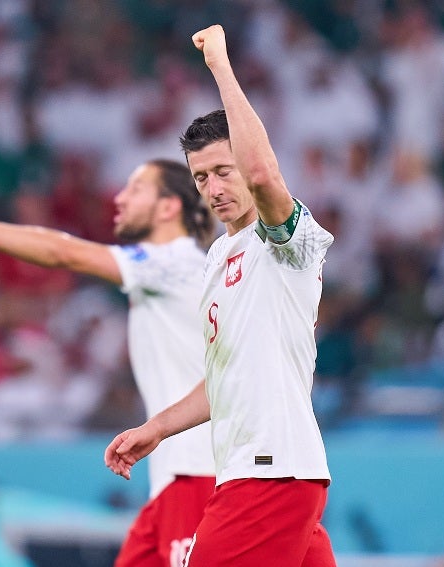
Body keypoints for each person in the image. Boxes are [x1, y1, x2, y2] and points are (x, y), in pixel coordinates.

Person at [104, 25, 336, 567]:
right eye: (201, 176)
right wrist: (155, 428)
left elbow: (263, 173)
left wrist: (220, 67)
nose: (213, 188)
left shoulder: (288, 243)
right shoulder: (216, 259)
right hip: (253, 471)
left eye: (222, 171)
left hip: (271, 472)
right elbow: (223, 381)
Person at [0, 157, 217, 567]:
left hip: (200, 471)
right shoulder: (174, 268)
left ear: (169, 208)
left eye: (137, 188)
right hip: (176, 478)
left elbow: (63, 253)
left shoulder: (174, 262)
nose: (121, 197)